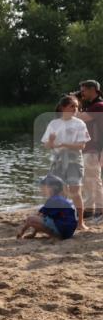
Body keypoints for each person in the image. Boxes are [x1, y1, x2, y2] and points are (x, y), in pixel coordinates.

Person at [42, 94, 91, 231]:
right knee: (59, 192)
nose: (75, 109)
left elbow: (82, 146)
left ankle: (80, 223)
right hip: (57, 161)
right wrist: (51, 142)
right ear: (63, 107)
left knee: (75, 191)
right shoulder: (54, 124)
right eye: (72, 106)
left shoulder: (79, 123)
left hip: (74, 160)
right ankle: (62, 221)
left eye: (76, 106)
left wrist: (65, 144)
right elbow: (46, 145)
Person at [16, 175, 77, 240]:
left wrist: (22, 231)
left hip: (62, 230)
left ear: (50, 189)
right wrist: (33, 233)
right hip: (69, 232)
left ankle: (55, 235)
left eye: (42, 188)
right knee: (42, 218)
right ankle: (56, 234)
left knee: (30, 219)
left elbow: (39, 216)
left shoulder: (52, 201)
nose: (41, 190)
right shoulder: (60, 199)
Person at [77, 80, 103, 222]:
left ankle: (100, 210)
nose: (81, 93)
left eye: (83, 90)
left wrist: (74, 102)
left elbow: (78, 118)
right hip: (89, 148)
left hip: (95, 149)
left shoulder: (98, 106)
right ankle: (89, 209)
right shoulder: (93, 106)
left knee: (94, 179)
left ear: (93, 89)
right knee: (88, 179)